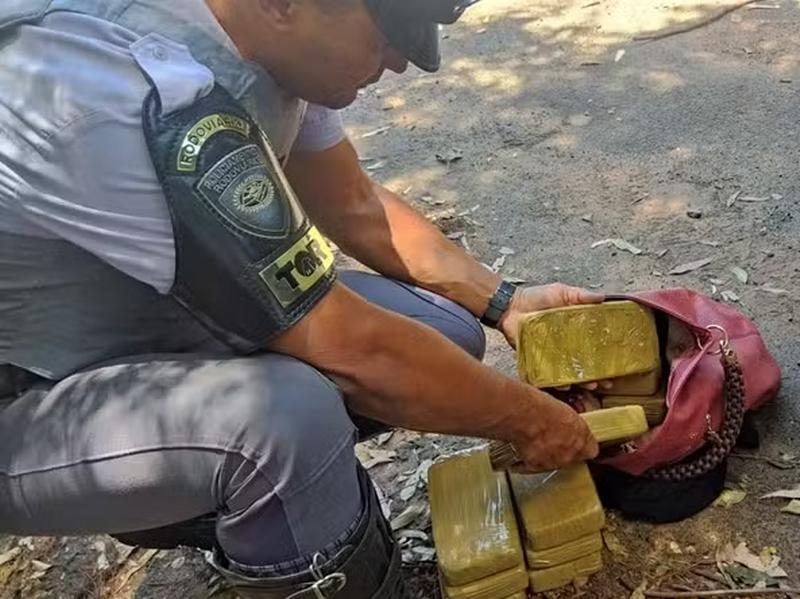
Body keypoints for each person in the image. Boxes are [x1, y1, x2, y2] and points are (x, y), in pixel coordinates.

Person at [0, 1, 600, 597]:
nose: (399, 63)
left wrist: (505, 303)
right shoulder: (109, 94)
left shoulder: (262, 48)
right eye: (388, 33)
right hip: (26, 396)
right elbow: (353, 349)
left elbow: (351, 203)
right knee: (286, 421)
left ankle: (252, 516)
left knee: (443, 332)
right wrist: (531, 418)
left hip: (133, 329)